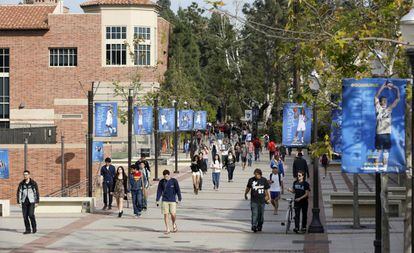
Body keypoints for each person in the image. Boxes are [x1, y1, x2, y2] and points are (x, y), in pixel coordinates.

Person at [374, 80, 400, 171]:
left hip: (387, 132)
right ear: (381, 102)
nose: (385, 102)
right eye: (383, 101)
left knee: (386, 151)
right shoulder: (378, 108)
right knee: (378, 151)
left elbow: (397, 99)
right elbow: (376, 96)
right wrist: (383, 86)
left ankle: (384, 167)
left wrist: (396, 88)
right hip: (379, 132)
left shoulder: (389, 109)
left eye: (386, 101)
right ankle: (376, 167)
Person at [156, 170, 182, 234]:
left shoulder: (174, 181)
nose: (166, 178)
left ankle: (173, 224)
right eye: (165, 177)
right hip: (165, 200)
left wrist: (179, 198)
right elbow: (159, 191)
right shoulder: (161, 182)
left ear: (169, 175)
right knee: (166, 215)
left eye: (167, 176)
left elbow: (178, 190)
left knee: (173, 214)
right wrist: (157, 200)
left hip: (173, 200)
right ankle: (167, 228)